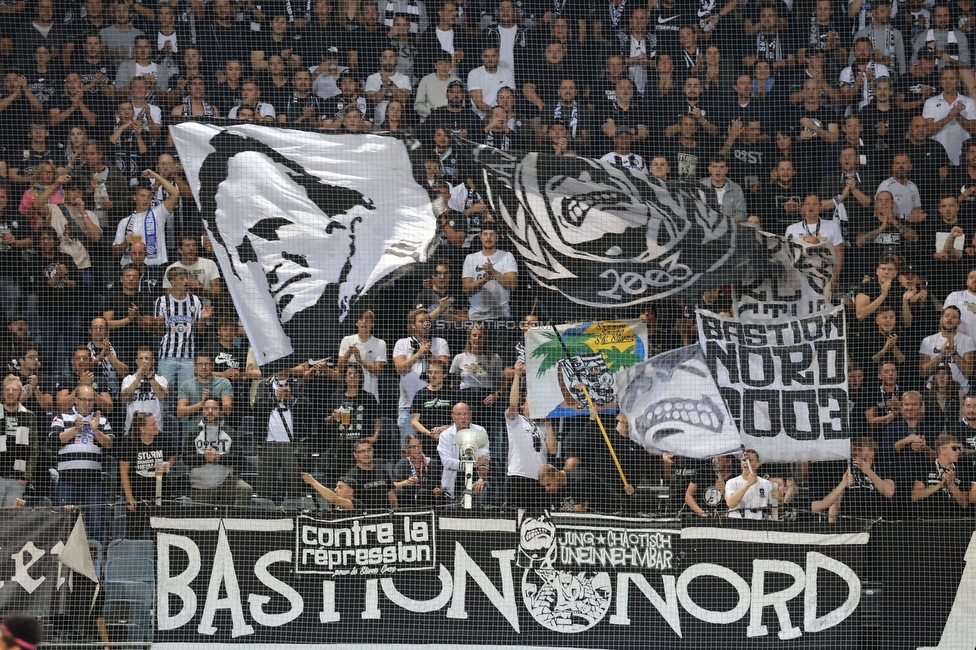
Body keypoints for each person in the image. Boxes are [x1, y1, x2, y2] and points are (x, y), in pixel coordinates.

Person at [50, 385, 113, 540]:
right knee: (63, 522)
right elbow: (54, 440)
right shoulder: (62, 417)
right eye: (83, 399)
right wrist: (75, 430)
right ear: (76, 400)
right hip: (67, 481)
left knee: (94, 523)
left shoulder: (101, 420)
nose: (86, 403)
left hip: (93, 482)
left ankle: (93, 562)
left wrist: (96, 431)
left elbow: (111, 444)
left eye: (90, 400)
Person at [394, 308, 450, 444]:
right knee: (408, 449)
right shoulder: (402, 343)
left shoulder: (440, 342)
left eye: (428, 321)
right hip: (408, 405)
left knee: (433, 446)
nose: (426, 324)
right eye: (421, 321)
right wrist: (418, 354)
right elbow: (400, 368)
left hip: (434, 405)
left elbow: (444, 366)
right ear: (413, 325)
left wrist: (428, 354)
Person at [505, 361, 556, 511]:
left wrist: (548, 425)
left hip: (540, 480)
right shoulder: (516, 421)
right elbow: (513, 404)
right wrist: (517, 375)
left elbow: (553, 450)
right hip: (519, 476)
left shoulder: (542, 426)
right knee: (520, 520)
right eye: (530, 400)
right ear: (523, 404)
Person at [118, 411, 176, 538]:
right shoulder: (129, 442)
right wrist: (129, 497)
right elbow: (123, 471)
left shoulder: (164, 439)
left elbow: (173, 456)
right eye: (153, 423)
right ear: (142, 429)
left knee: (160, 533)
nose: (157, 425)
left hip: (161, 493)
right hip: (138, 494)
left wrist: (168, 464)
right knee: (135, 533)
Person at [810, 438, 896, 522]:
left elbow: (889, 492)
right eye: (854, 449)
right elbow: (836, 501)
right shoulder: (846, 468)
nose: (855, 453)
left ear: (871, 453)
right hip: (849, 521)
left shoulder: (883, 467)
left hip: (877, 520)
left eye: (860, 450)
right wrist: (832, 524)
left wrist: (869, 472)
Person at [184, 398, 251, 506]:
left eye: (214, 408)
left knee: (245, 489)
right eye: (206, 408)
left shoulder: (230, 432)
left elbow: (239, 457)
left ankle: (238, 520)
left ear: (221, 411)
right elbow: (186, 459)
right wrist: (204, 457)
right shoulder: (194, 433)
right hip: (201, 483)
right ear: (203, 411)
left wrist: (220, 457)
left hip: (226, 481)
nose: (210, 411)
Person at [462, 226, 518, 323]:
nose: (488, 237)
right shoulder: (470, 258)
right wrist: (485, 279)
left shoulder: (507, 256)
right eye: (485, 234)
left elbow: (512, 285)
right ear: (480, 237)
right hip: (476, 316)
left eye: (491, 234)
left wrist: (494, 272)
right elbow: (466, 289)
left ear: (497, 237)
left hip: (501, 315)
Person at [0, 375, 39, 508]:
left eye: (14, 389)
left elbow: (33, 449)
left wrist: (26, 476)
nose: (10, 392)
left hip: (18, 478)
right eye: (7, 389)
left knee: (11, 520)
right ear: (3, 392)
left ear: (21, 392)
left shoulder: (29, 416)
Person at [437, 402, 489, 501]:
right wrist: (473, 464)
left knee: (482, 489)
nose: (463, 418)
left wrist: (481, 479)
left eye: (465, 414)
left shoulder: (480, 431)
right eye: (459, 414)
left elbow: (484, 459)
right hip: (453, 485)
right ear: (453, 417)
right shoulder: (445, 435)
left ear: (470, 415)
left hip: (475, 481)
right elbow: (447, 462)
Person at [911, 433, 971, 517]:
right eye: (954, 448)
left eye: (959, 448)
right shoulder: (926, 468)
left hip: (955, 520)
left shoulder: (962, 471)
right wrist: (939, 485)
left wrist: (951, 484)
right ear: (943, 450)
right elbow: (915, 496)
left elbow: (964, 503)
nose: (958, 451)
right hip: (928, 519)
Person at [919, 306, 976, 393]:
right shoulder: (928, 341)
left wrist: (953, 353)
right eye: (947, 316)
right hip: (933, 392)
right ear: (941, 319)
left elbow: (968, 372)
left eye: (954, 317)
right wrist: (941, 356)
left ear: (959, 321)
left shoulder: (967, 340)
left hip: (960, 391)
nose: (949, 319)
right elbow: (922, 372)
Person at [336, 309, 386, 401]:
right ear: (356, 323)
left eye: (367, 320)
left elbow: (378, 370)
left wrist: (359, 360)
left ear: (372, 324)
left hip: (370, 394)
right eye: (361, 319)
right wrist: (348, 353)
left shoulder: (380, 343)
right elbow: (340, 367)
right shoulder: (346, 340)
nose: (364, 322)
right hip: (348, 394)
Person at [119, 347, 168, 435]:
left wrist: (149, 376)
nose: (144, 361)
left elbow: (162, 395)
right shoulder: (128, 379)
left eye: (147, 358)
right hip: (133, 431)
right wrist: (137, 379)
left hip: (155, 430)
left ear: (153, 361)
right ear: (136, 361)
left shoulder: (161, 379)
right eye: (141, 358)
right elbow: (123, 398)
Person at [392, 434, 444, 509]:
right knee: (401, 492)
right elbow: (392, 485)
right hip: (408, 501)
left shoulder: (432, 463)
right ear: (407, 449)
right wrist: (406, 482)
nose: (417, 449)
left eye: (419, 446)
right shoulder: (402, 463)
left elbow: (443, 483)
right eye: (413, 447)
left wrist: (439, 490)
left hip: (427, 500)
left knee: (423, 492)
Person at [344, 438, 399, 510]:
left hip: (385, 517)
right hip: (364, 517)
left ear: (373, 451)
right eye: (362, 451)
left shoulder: (382, 471)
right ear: (355, 454)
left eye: (369, 450)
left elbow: (392, 497)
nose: (366, 454)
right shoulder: (351, 477)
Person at [725, 449, 774, 520]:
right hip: (736, 521)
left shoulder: (766, 483)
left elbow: (773, 509)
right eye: (744, 460)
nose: (746, 463)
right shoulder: (731, 482)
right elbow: (731, 504)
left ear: (757, 464)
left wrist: (780, 501)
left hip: (759, 522)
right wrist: (747, 484)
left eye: (750, 461)